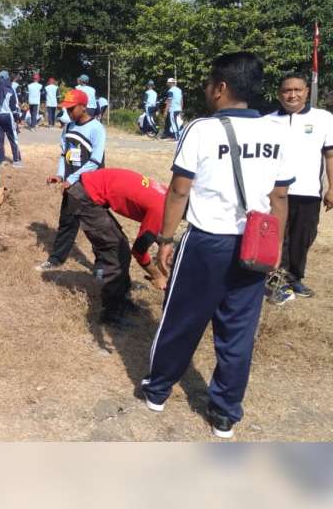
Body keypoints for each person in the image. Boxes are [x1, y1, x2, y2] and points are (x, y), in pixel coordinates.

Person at [142, 52, 293, 439]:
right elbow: (279, 199)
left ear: (221, 88)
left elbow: (179, 190)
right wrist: (275, 246)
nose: (207, 90)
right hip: (255, 244)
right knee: (238, 332)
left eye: (210, 84)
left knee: (182, 319)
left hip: (206, 241)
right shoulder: (278, 133)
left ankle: (157, 391)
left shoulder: (202, 130)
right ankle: (224, 414)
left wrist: (165, 238)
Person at [55, 168, 168, 325]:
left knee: (118, 245)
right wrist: (156, 275)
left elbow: (150, 223)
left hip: (89, 190)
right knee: (115, 250)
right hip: (85, 196)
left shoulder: (166, 193)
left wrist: (163, 242)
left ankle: (120, 299)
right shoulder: (161, 209)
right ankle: (111, 313)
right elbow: (139, 250)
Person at [265, 73, 333, 303]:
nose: (292, 95)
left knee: (303, 236)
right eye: (286, 90)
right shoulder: (267, 121)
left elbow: (330, 155)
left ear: (306, 91)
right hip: (275, 193)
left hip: (308, 192)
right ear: (279, 94)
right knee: (277, 236)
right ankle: (275, 279)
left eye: (297, 90)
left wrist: (332, 188)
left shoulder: (323, 118)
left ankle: (294, 277)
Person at [37, 89, 106, 272]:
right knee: (67, 222)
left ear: (83, 107)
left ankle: (102, 266)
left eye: (71, 109)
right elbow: (63, 154)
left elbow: (95, 161)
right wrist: (60, 175)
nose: (68, 112)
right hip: (71, 185)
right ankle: (56, 259)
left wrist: (73, 178)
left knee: (96, 227)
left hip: (92, 186)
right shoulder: (68, 127)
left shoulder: (96, 128)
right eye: (66, 109)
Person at [0, 70, 23, 167]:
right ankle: (16, 160)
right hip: (7, 116)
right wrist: (17, 117)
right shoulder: (10, 89)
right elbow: (13, 106)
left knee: (0, 139)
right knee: (13, 138)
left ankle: (0, 159)